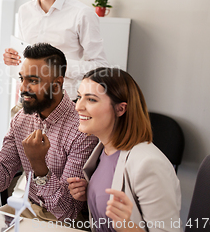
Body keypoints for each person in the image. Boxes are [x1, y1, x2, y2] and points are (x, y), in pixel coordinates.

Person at [0, 43, 98, 222]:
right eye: (22, 78)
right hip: (28, 208)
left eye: (33, 81)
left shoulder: (82, 130)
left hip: (62, 221)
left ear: (57, 85)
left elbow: (67, 212)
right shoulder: (21, 118)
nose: (23, 88)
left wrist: (38, 164)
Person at [68, 68, 181, 232]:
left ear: (120, 109)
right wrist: (92, 192)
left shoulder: (149, 164)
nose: (78, 107)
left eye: (91, 100)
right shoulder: (103, 150)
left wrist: (127, 227)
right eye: (79, 97)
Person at [3, 0, 109, 101]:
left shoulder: (82, 14)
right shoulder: (24, 11)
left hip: (64, 104)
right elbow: (25, 58)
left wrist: (56, 67)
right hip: (27, 101)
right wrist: (13, 60)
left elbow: (100, 67)